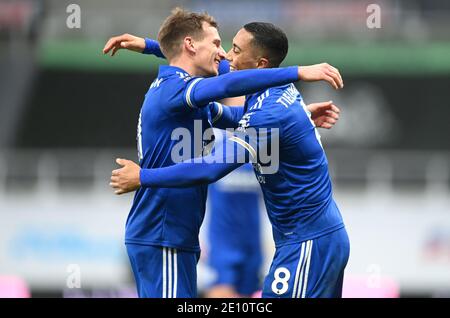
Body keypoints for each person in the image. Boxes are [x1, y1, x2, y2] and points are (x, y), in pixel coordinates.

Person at [110, 21, 349, 298]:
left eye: (235, 50)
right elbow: (197, 62)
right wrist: (151, 46)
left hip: (308, 242)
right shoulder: (271, 98)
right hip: (312, 239)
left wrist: (143, 177)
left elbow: (212, 167)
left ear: (259, 64)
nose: (226, 55)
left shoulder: (267, 116)